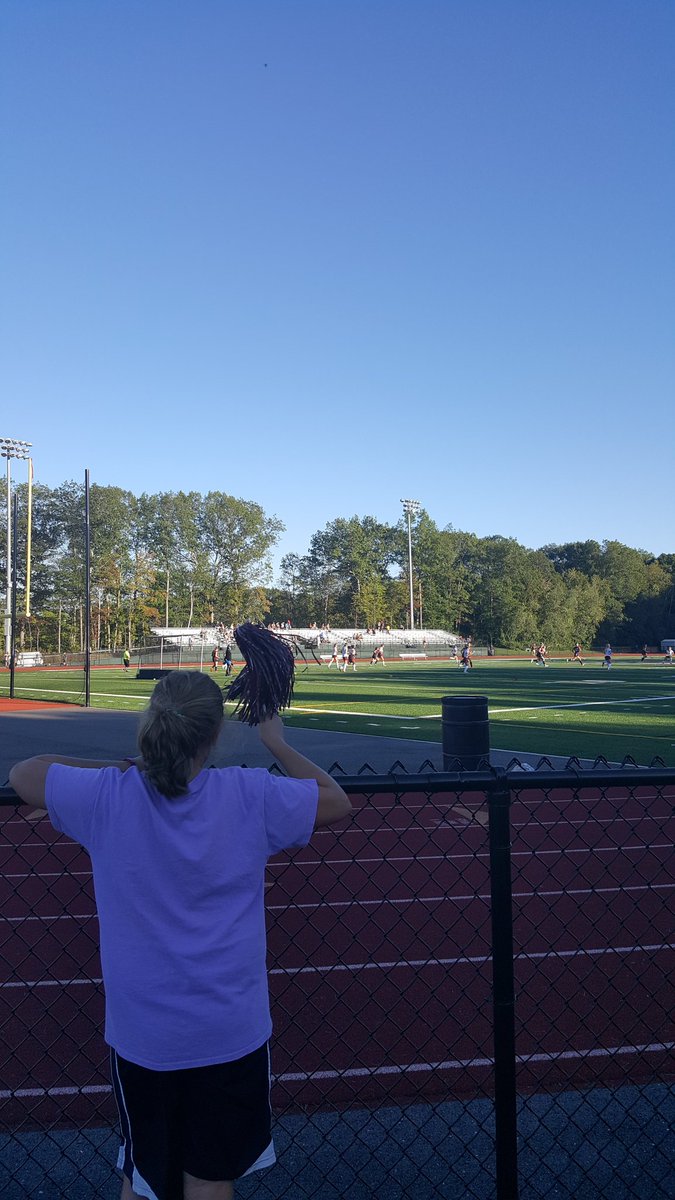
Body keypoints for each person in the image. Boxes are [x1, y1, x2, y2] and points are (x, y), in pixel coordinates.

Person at [9, 670, 351, 1200]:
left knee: (143, 1177)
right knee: (210, 1178)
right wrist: (276, 742)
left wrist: (120, 769)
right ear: (213, 735)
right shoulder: (248, 794)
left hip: (145, 1033)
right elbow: (335, 799)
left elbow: (25, 773)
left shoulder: (108, 795)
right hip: (229, 1028)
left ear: (150, 725)